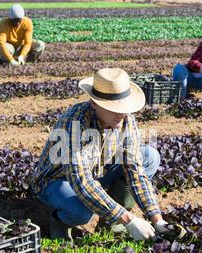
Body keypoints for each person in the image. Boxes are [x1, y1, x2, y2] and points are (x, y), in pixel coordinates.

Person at [30, 68, 186, 241]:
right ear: (94, 103)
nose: (121, 114)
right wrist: (129, 219)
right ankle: (60, 221)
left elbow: (135, 172)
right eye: (113, 108)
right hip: (57, 181)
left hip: (96, 173)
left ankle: (110, 222)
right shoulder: (74, 122)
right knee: (82, 212)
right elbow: (81, 182)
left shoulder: (126, 120)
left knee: (149, 156)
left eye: (124, 107)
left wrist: (157, 219)